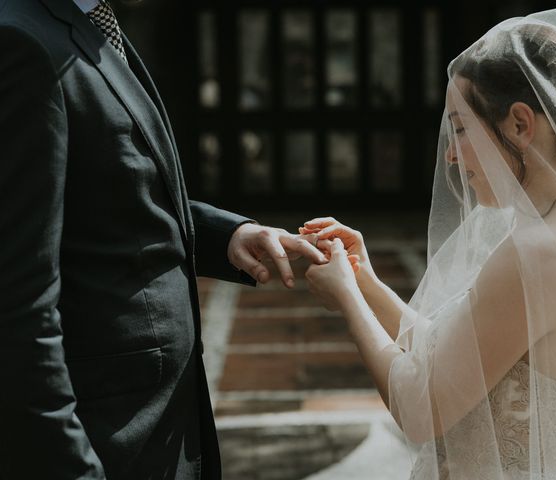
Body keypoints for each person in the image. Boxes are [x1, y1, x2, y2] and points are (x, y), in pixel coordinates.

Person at [303, 8, 556, 479]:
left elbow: (423, 409)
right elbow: (462, 354)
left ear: (520, 125)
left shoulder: (543, 250)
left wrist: (344, 298)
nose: (451, 154)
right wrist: (365, 283)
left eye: (461, 128)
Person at [0, 0, 325, 479]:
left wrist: (227, 234)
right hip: (107, 439)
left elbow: (110, 188)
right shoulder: (21, 40)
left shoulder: (90, 22)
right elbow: (17, 303)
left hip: (156, 431)